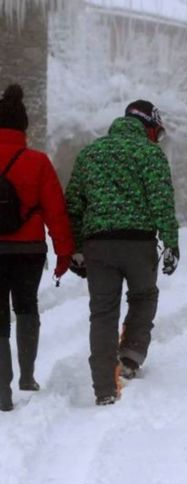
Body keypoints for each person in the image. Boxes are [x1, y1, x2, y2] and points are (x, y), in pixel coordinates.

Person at [65, 100, 179, 406]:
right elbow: (161, 202)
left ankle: (104, 388)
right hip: (139, 244)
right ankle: (129, 357)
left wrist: (74, 248)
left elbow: (73, 205)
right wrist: (170, 242)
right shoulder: (149, 153)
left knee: (102, 313)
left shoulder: (90, 153)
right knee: (143, 296)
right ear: (148, 127)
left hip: (98, 245)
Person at [0, 84, 74, 412]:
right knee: (27, 307)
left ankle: (2, 390)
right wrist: (64, 253)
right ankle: (27, 377)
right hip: (29, 249)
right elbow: (56, 211)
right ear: (23, 128)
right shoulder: (38, 162)